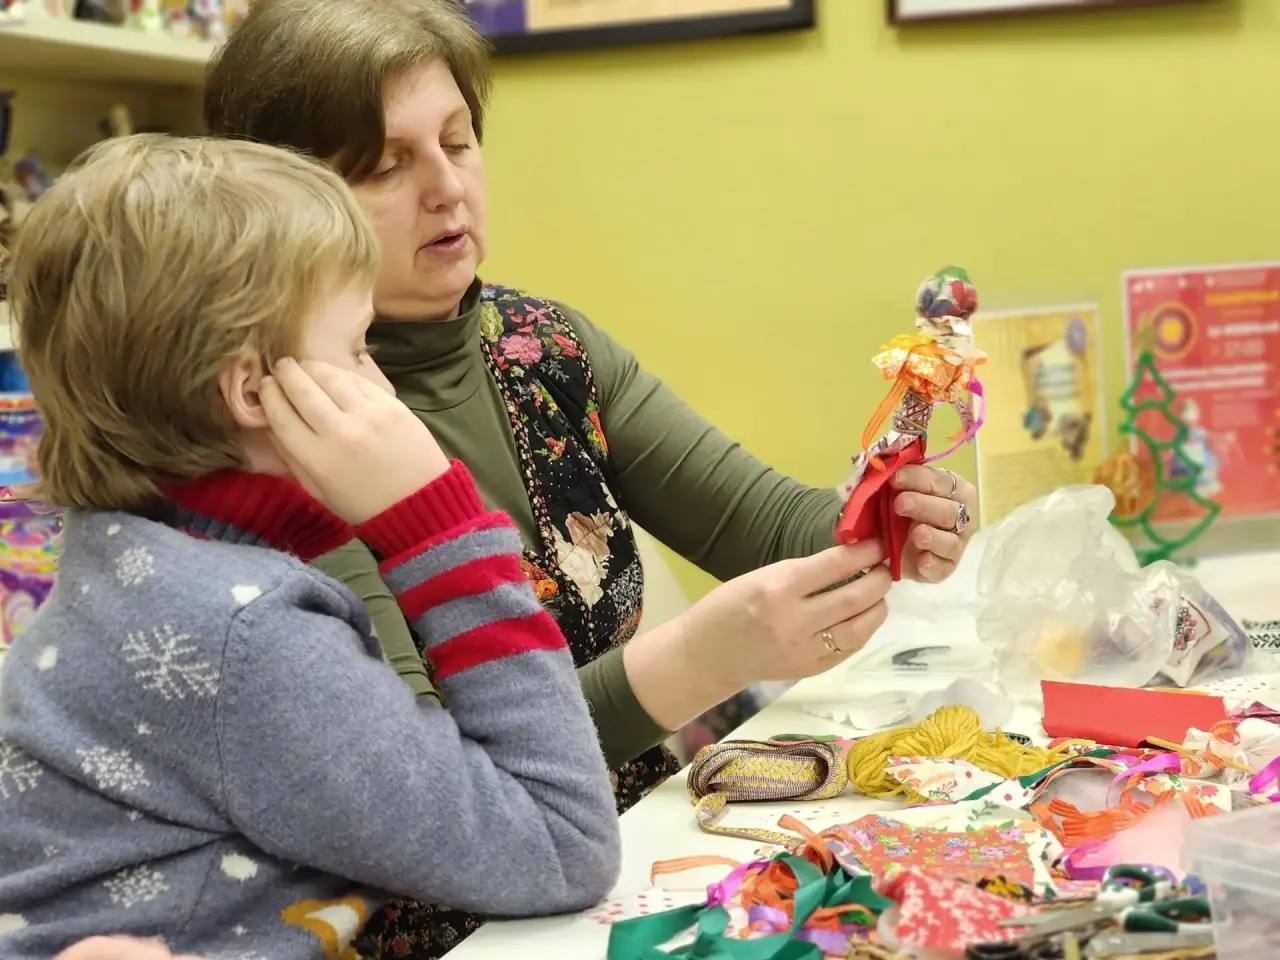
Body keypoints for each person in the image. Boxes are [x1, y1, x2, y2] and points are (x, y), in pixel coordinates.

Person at [205, 1, 977, 952]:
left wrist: (890, 510)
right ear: (285, 199)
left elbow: (771, 526)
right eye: (386, 164)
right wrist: (703, 657)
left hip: (617, 860)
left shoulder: (543, 347)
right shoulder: (285, 436)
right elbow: (432, 789)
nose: (447, 189)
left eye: (458, 141)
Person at [0, 135, 621, 959]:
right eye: (360, 347)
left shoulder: (131, 560)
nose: (385, 385)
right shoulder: (243, 636)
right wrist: (439, 533)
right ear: (256, 392)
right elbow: (563, 843)